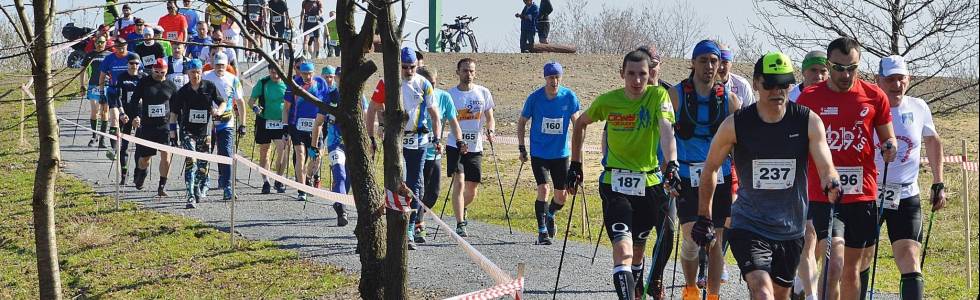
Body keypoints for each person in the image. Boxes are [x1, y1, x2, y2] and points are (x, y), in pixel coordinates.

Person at [691, 51, 842, 300]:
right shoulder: (736, 124)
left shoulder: (807, 121)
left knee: (780, 294)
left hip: (791, 229)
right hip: (749, 224)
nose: (777, 91)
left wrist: (831, 181)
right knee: (762, 291)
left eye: (784, 84)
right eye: (770, 84)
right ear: (756, 83)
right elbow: (710, 169)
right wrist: (704, 216)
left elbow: (826, 164)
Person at [567, 50, 678, 300]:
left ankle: (642, 285)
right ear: (622, 74)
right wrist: (576, 163)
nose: (637, 81)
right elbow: (581, 123)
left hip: (649, 184)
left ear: (650, 76)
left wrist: (672, 163)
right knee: (624, 251)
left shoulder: (658, 95)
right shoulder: (609, 100)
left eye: (642, 74)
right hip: (614, 184)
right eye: (631, 74)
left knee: (646, 247)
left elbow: (666, 129)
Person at [796, 37, 897, 300]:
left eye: (852, 68)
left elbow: (888, 137)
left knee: (852, 269)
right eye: (839, 68)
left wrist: (890, 147)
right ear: (829, 66)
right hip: (824, 194)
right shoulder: (810, 97)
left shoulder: (874, 96)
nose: (845, 74)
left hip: (862, 193)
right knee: (834, 264)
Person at [868, 55, 946, 300]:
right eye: (890, 79)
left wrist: (938, 181)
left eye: (901, 78)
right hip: (869, 194)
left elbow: (932, 141)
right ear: (878, 80)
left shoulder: (918, 106)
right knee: (859, 258)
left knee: (910, 257)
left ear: (908, 79)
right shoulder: (867, 107)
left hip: (905, 194)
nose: (896, 84)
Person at [672, 40, 742, 300]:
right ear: (693, 63)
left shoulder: (731, 101)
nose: (710, 67)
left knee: (715, 241)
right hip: (688, 176)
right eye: (703, 61)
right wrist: (668, 170)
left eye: (714, 61)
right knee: (692, 238)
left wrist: (742, 181)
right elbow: (664, 136)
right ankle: (690, 287)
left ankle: (713, 295)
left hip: (720, 177)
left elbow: (740, 146)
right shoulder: (677, 95)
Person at [516, 61, 580, 246]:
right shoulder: (535, 98)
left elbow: (576, 123)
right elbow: (522, 122)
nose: (554, 81)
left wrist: (578, 149)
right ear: (545, 78)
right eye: (551, 77)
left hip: (561, 154)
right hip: (539, 152)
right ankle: (542, 230)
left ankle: (551, 213)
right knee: (544, 188)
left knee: (562, 196)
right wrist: (522, 147)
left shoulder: (569, 97)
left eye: (557, 77)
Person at [790, 49, 830, 300]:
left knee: (818, 244)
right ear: (803, 71)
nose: (818, 75)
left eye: (823, 70)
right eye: (813, 70)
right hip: (800, 178)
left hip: (823, 177)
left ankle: (798, 285)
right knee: (808, 236)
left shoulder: (831, 96)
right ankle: (810, 293)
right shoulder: (793, 97)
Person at [445, 57, 494, 238]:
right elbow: (443, 119)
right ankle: (460, 223)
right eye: (465, 70)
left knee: (472, 187)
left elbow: (490, 117)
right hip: (455, 145)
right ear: (458, 72)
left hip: (475, 146)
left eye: (472, 71)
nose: (469, 74)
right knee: (459, 181)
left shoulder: (483, 92)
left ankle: (462, 207)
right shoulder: (450, 95)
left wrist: (491, 129)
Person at [171, 59, 223, 208]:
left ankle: (198, 186)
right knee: (191, 162)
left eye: (198, 72)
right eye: (192, 72)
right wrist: (173, 133)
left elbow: (222, 102)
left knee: (203, 165)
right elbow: (174, 114)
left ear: (202, 72)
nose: (195, 75)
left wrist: (218, 111)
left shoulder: (209, 87)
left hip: (205, 132)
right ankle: (190, 196)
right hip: (188, 131)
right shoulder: (183, 91)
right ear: (187, 73)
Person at [202, 52, 247, 200]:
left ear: (227, 65)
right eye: (217, 65)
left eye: (222, 65)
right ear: (213, 64)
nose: (220, 68)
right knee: (206, 152)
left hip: (226, 120)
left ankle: (227, 186)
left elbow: (240, 102)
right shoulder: (205, 76)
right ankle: (204, 181)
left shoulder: (233, 79)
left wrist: (243, 123)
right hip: (208, 121)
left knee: (226, 153)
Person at [283, 60, 330, 202]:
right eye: (304, 73)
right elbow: (286, 107)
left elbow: (325, 104)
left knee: (316, 156)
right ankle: (301, 189)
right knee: (301, 154)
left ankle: (308, 178)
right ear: (300, 72)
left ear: (313, 73)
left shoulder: (321, 83)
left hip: (316, 126)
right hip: (296, 125)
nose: (307, 76)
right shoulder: (293, 84)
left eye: (310, 74)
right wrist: (285, 127)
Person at [131, 58, 178, 195]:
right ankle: (141, 173)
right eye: (156, 72)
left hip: (164, 126)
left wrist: (176, 127)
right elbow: (134, 100)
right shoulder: (144, 82)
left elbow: (176, 107)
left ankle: (162, 186)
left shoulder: (170, 85)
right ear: (152, 70)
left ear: (166, 71)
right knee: (145, 159)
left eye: (162, 72)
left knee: (166, 156)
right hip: (147, 126)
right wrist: (135, 116)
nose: (159, 75)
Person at [309, 69, 350, 227]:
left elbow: (367, 119)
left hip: (352, 144)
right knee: (339, 174)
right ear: (337, 79)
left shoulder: (359, 96)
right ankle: (343, 210)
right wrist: (314, 146)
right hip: (335, 143)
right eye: (340, 78)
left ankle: (339, 202)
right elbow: (318, 123)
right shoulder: (330, 96)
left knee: (349, 178)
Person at [249, 65, 290, 194]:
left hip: (281, 122)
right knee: (264, 152)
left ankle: (278, 179)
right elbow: (251, 101)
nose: (275, 75)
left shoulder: (287, 83)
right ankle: (266, 181)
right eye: (272, 72)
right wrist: (255, 108)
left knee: (282, 150)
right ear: (269, 71)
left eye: (277, 72)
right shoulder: (263, 82)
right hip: (264, 120)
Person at [105, 53, 143, 185]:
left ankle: (138, 173)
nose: (134, 66)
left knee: (140, 147)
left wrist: (140, 116)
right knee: (124, 147)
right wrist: (121, 114)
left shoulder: (143, 78)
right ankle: (124, 174)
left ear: (139, 65)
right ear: (127, 64)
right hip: (125, 114)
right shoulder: (122, 77)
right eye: (131, 63)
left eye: (136, 64)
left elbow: (146, 100)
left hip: (139, 115)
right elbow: (118, 97)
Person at [80, 36, 112, 149]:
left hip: (106, 85)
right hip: (93, 85)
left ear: (105, 43)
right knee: (94, 111)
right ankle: (94, 136)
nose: (100, 44)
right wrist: (82, 85)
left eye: (102, 42)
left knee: (105, 112)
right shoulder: (90, 54)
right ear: (95, 43)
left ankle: (102, 139)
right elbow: (83, 70)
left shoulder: (109, 55)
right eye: (98, 42)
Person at [717, 43, 756, 108]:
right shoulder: (704, 85)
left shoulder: (742, 84)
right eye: (717, 62)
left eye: (725, 62)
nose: (721, 67)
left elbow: (752, 113)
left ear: (731, 64)